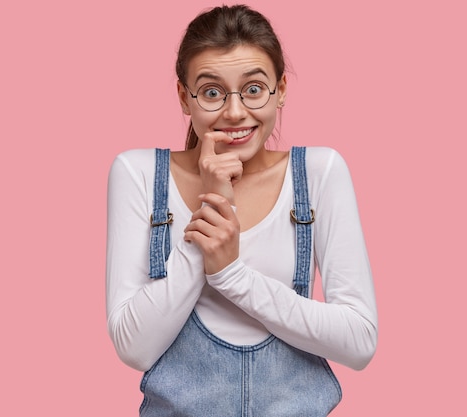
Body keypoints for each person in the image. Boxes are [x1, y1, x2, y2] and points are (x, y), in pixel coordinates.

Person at [106, 4, 377, 416]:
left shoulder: (319, 172)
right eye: (212, 92)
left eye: (253, 89)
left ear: (280, 89)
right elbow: (134, 347)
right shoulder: (138, 172)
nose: (234, 112)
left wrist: (232, 274)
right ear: (185, 96)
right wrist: (214, 204)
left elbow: (358, 342)